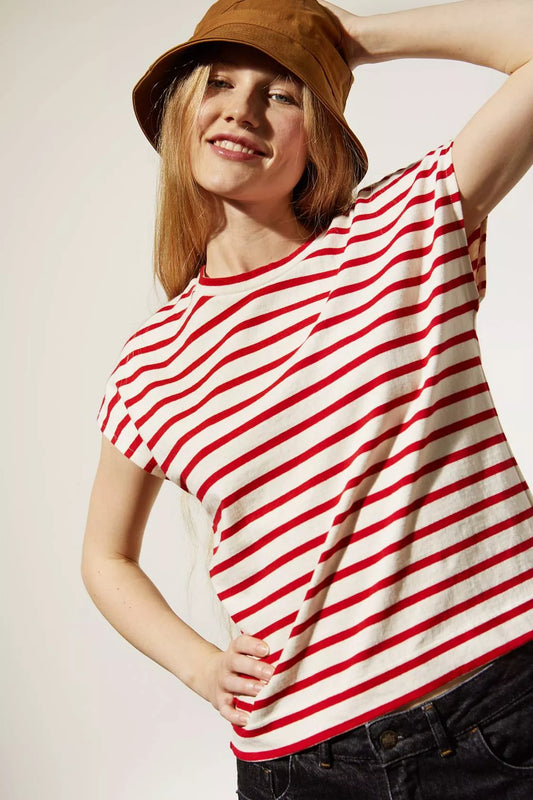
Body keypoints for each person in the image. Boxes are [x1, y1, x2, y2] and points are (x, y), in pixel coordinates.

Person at [81, 0, 533, 796]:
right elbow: (103, 557)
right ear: (183, 113)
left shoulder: (403, 229)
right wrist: (199, 666)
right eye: (218, 83)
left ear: (318, 134)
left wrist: (346, 39)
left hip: (500, 707)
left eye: (280, 93)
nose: (242, 109)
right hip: (303, 765)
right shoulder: (150, 360)